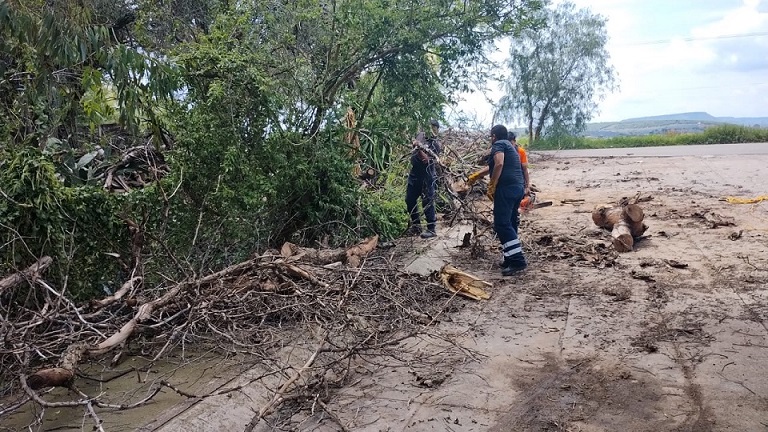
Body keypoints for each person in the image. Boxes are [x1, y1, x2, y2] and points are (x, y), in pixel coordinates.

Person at [465, 125, 528, 275]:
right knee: (510, 223)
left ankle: (518, 260)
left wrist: (492, 184)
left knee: (501, 224)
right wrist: (476, 176)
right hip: (517, 189)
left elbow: (499, 163)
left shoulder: (498, 144)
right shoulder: (510, 146)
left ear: (494, 136)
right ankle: (510, 257)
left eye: (491, 137)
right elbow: (494, 166)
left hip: (506, 189)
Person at [405, 119, 441, 239]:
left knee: (427, 201)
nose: (431, 130)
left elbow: (426, 159)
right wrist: (415, 143)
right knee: (409, 199)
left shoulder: (435, 144)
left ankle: (431, 229)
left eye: (434, 128)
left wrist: (419, 148)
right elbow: (413, 143)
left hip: (427, 175)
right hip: (414, 173)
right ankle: (416, 226)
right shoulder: (421, 135)